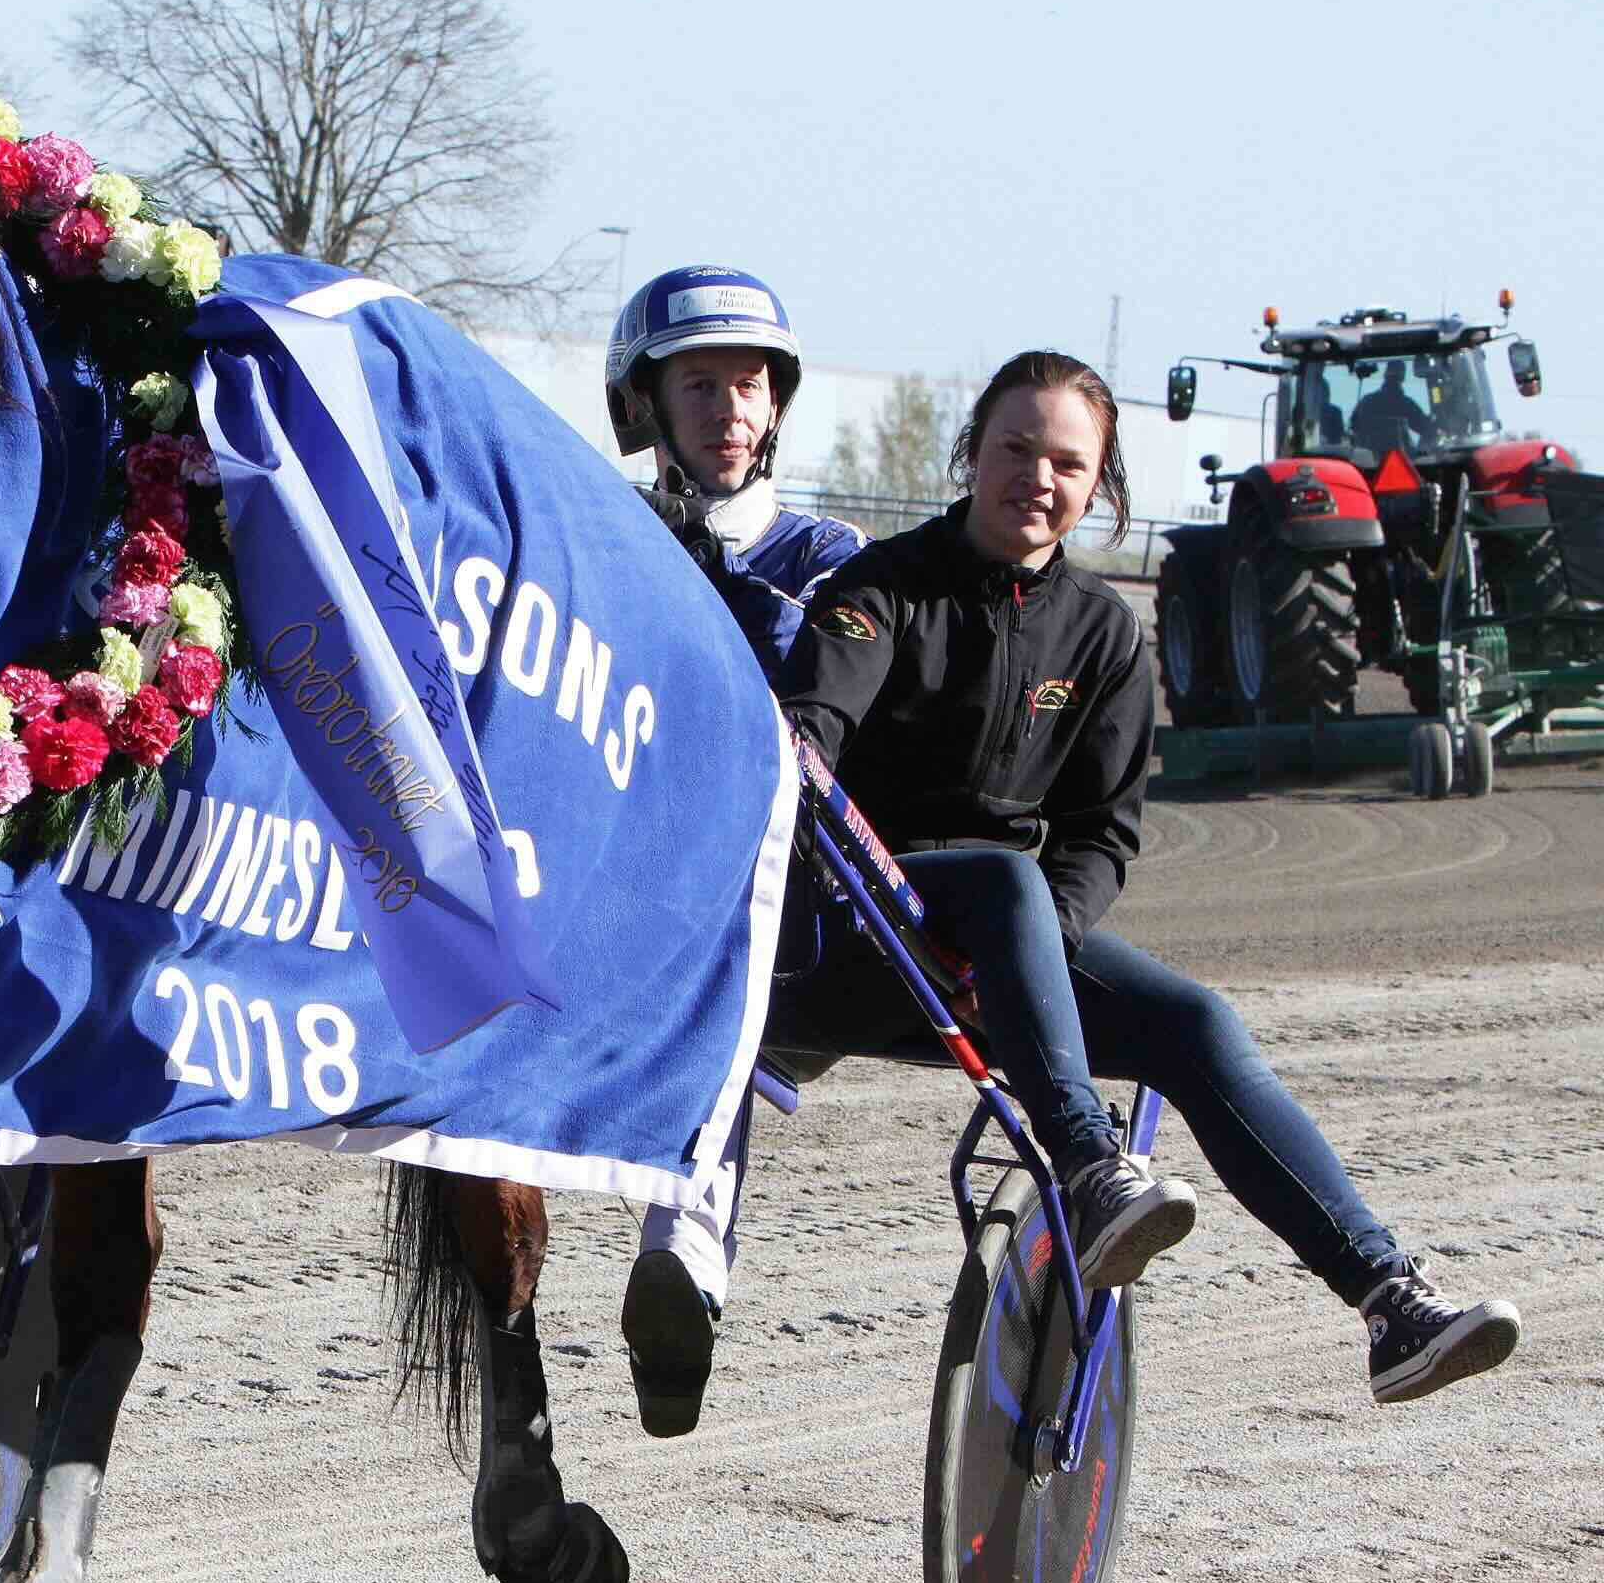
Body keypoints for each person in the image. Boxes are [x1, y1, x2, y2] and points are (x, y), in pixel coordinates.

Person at [765, 349, 1520, 1409]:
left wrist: (1029, 949)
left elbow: (1099, 839)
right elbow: (810, 739)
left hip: (1000, 950)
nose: (1038, 476)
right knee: (1002, 884)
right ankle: (1086, 1166)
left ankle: (1388, 1299)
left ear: (1100, 485)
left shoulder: (1107, 636)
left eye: (1067, 462)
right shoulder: (878, 591)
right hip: (853, 942)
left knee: (1195, 1022)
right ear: (970, 453)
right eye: (1015, 449)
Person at [599, 268, 865, 1433]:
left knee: (727, 956)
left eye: (747, 386)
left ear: (775, 409)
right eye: (698, 383)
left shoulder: (825, 553)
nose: (726, 409)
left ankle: (686, 1264)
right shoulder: (595, 540)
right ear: (646, 407)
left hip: (773, 887)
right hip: (611, 865)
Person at [1350, 359, 1432, 461]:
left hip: (1369, 463)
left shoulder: (1366, 401)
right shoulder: (1406, 404)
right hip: (1401, 462)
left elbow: (1353, 428)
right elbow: (1427, 429)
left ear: (1385, 374)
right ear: (1402, 377)